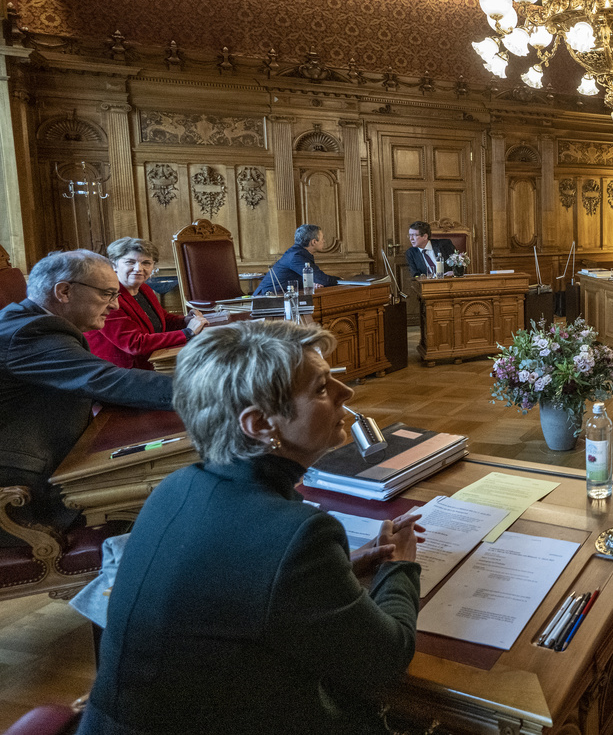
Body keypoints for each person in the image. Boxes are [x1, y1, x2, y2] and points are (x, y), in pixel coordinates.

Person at [78, 320, 423, 734]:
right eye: (320, 388)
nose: (346, 394)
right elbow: (383, 662)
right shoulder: (298, 534)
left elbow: (236, 586)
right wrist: (399, 566)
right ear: (260, 425)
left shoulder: (177, 486)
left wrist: (344, 567)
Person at [0, 250, 173, 545]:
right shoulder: (30, 332)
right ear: (64, 291)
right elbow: (106, 380)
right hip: (26, 487)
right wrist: (220, 388)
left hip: (61, 455)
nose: (115, 306)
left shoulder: (30, 322)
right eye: (107, 294)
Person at [87, 237, 208, 370]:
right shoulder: (108, 296)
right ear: (114, 265)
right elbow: (134, 344)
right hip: (120, 371)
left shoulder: (144, 288)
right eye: (130, 262)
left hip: (151, 361)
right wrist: (187, 332)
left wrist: (187, 320)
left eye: (146, 263)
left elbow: (164, 319)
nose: (138, 268)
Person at [255, 224, 341, 295]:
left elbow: (313, 279)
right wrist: (341, 280)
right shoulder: (296, 256)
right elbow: (321, 279)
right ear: (314, 242)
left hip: (281, 295)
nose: (324, 241)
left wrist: (312, 282)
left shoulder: (299, 252)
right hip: (267, 299)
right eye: (322, 239)